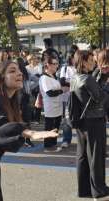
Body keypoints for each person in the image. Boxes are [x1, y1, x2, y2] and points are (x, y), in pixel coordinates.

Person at [0, 61, 58, 201]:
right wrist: (29, 132)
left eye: (19, 70)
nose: (19, 73)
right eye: (12, 71)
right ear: (0, 78)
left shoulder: (9, 100)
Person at [70, 50, 109, 201]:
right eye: (91, 60)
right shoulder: (88, 78)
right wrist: (105, 87)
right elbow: (100, 98)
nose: (93, 62)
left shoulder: (75, 77)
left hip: (81, 121)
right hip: (94, 120)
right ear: (83, 61)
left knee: (83, 156)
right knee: (96, 156)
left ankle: (84, 189)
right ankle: (99, 190)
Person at [39, 56, 63, 152]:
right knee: (50, 126)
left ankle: (53, 144)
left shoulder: (54, 76)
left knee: (56, 125)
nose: (56, 66)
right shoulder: (44, 77)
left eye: (57, 64)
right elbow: (49, 93)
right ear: (47, 65)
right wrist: (61, 91)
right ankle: (48, 146)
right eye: (54, 64)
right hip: (50, 106)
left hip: (58, 105)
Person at [59, 55, 76, 148]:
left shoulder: (79, 67)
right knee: (66, 119)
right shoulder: (64, 68)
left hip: (78, 97)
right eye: (73, 57)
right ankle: (66, 140)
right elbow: (62, 82)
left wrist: (69, 81)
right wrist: (74, 82)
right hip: (66, 97)